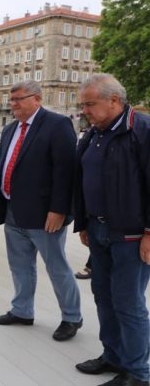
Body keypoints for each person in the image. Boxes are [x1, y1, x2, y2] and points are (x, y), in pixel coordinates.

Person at [0, 80, 82, 341]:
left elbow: (66, 172)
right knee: (19, 265)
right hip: (12, 210)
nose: (13, 104)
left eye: (19, 99)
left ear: (37, 99)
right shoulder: (10, 130)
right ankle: (22, 311)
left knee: (57, 267)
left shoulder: (57, 124)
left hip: (45, 215)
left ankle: (72, 317)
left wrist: (59, 210)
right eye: (11, 99)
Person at [73, 74, 150, 386]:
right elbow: (82, 179)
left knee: (128, 303)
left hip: (131, 236)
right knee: (103, 296)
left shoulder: (141, 131)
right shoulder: (95, 133)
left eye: (90, 104)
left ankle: (139, 373)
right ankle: (113, 356)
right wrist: (84, 222)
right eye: (83, 105)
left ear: (114, 101)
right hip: (99, 229)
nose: (85, 111)